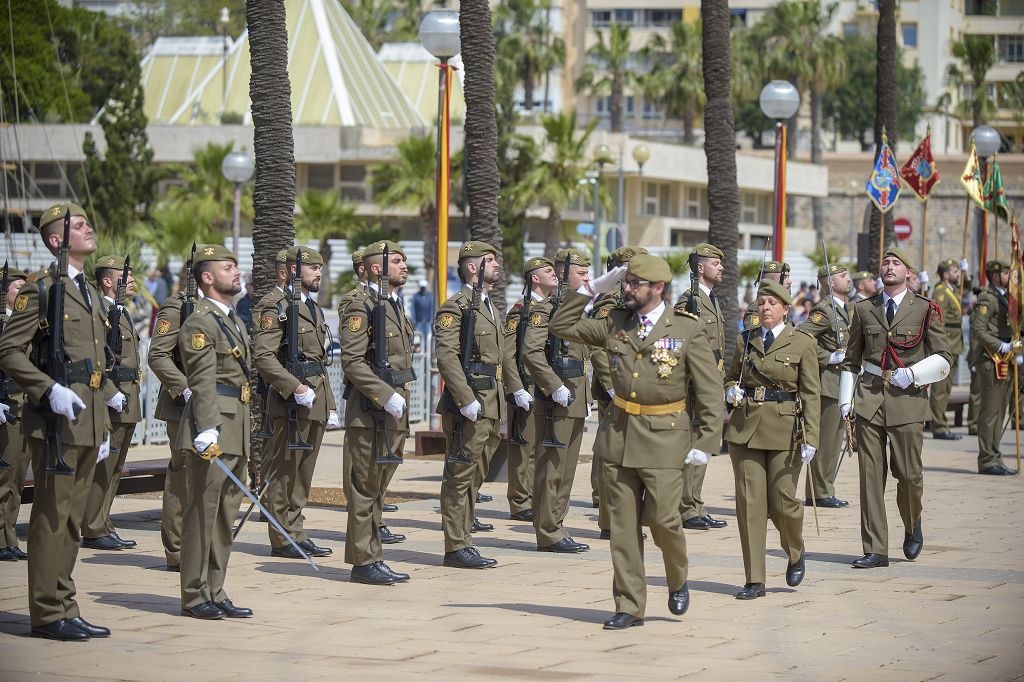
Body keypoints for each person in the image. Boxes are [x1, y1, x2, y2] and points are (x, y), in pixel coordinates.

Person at [550, 254, 723, 629]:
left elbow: (710, 391)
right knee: (623, 528)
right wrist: (591, 289)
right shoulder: (613, 323)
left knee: (664, 522)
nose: (627, 289)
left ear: (657, 288)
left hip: (665, 438)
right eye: (626, 283)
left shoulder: (687, 329)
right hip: (618, 435)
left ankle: (677, 577)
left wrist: (707, 440)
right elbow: (561, 325)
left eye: (634, 284)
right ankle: (629, 605)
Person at [0, 203, 119, 640]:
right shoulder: (42, 289)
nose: (90, 229)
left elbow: (97, 365)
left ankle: (66, 605)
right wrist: (47, 389)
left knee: (72, 519)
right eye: (80, 225)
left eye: (89, 222)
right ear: (56, 240)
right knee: (52, 517)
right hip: (55, 422)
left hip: (87, 420)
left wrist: (103, 420)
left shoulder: (87, 291)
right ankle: (47, 613)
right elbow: (9, 351)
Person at [840, 247, 951, 569]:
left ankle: (913, 523)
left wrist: (915, 374)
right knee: (870, 477)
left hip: (908, 401)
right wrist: (846, 400)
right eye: (886, 262)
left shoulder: (925, 309)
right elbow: (851, 359)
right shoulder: (864, 309)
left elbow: (944, 356)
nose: (889, 267)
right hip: (870, 399)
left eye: (896, 263)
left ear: (909, 273)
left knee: (909, 475)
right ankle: (875, 548)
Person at [726, 279, 820, 599]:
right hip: (746, 427)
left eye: (772, 303)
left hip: (785, 429)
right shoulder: (746, 340)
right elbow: (731, 373)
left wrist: (812, 437)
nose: (765, 308)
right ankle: (755, 578)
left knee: (783, 502)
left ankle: (795, 549)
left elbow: (811, 393)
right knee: (750, 504)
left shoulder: (802, 343)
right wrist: (730, 389)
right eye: (761, 302)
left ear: (785, 309)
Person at [176, 244, 253, 620]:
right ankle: (193, 593)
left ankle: (215, 588)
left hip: (236, 424)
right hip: (214, 426)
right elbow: (203, 380)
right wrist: (206, 427)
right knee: (202, 514)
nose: (236, 272)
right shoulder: (200, 321)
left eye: (236, 266)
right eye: (228, 267)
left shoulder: (234, 320)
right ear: (207, 278)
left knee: (225, 516)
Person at [339, 240, 416, 584]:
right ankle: (363, 560)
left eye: (403, 260)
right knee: (365, 487)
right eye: (396, 261)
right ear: (375, 268)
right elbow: (352, 361)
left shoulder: (394, 304)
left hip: (394, 410)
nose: (404, 265)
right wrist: (384, 395)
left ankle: (373, 555)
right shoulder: (361, 305)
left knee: (379, 488)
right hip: (371, 411)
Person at [253, 247, 336, 559]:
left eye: (319, 268)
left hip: (313, 397)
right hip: (290, 401)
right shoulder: (273, 305)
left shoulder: (311, 307)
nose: (318, 273)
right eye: (312, 268)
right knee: (285, 471)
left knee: (304, 472)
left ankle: (296, 529)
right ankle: (281, 536)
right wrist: (295, 387)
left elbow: (320, 360)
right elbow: (264, 356)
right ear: (286, 272)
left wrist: (327, 402)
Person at [434, 241, 505, 569]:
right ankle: (456, 546)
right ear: (473, 267)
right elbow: (447, 357)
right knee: (459, 475)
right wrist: (465, 399)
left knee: (475, 475)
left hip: (491, 402)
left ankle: (465, 539)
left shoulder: (488, 305)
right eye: (490, 261)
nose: (497, 265)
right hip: (471, 403)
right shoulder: (457, 307)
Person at [524, 248, 592, 553]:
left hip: (575, 395)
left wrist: (586, 394)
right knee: (551, 467)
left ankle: (557, 525)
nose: (587, 277)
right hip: (557, 398)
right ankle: (548, 531)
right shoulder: (546, 310)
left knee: (566, 469)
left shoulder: (576, 308)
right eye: (581, 272)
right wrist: (552, 387)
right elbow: (531, 352)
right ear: (564, 274)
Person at [81, 256, 143, 551]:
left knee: (115, 468)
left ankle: (102, 523)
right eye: (125, 275)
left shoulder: (120, 310)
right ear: (107, 281)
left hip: (126, 399)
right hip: (113, 400)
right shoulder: (100, 311)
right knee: (104, 467)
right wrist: (109, 394)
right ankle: (93, 528)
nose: (131, 279)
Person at [149, 251, 202, 572]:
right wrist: (183, 388)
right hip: (181, 406)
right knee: (182, 476)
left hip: (212, 405)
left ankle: (196, 543)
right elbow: (158, 355)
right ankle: (177, 549)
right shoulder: (176, 306)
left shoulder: (212, 310)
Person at [590, 246, 648, 539]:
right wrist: (612, 385)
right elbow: (599, 349)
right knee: (612, 456)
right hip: (614, 390)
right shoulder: (609, 302)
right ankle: (611, 522)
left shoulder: (638, 302)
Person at [675, 243, 728, 531]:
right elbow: (683, 344)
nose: (721, 268)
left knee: (704, 442)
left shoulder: (712, 300)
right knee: (694, 441)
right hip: (696, 385)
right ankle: (686, 506)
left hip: (710, 381)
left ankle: (695, 503)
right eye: (715, 263)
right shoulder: (689, 301)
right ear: (700, 268)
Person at [501, 256, 556, 522]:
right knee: (524, 448)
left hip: (546, 387)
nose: (554, 274)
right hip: (527, 385)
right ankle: (520, 502)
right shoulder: (520, 310)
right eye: (548, 271)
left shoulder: (551, 307)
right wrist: (516, 388)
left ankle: (534, 498)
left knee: (541, 447)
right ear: (535, 278)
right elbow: (508, 354)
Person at [797, 263, 853, 508]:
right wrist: (827, 357)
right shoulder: (825, 310)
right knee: (827, 441)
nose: (848, 279)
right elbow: (802, 337)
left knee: (835, 440)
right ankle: (819, 492)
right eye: (843, 276)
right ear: (830, 282)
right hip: (828, 383)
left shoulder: (844, 309)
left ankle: (825, 488)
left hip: (842, 383)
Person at [970, 260, 1019, 476]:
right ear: (995, 275)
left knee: (1000, 411)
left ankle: (995, 455)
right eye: (1007, 273)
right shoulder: (987, 298)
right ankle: (987, 459)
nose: (1011, 276)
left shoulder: (1007, 297)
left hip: (1006, 358)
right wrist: (1002, 345)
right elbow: (978, 330)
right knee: (990, 411)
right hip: (991, 359)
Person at [0, 266, 29, 562]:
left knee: (17, 479)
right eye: (17, 286)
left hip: (25, 409)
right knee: (3, 477)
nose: (22, 292)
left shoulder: (24, 324)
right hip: (6, 408)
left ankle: (9, 536)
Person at [929, 259, 965, 441]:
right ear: (945, 274)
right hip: (946, 345)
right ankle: (939, 426)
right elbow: (938, 321)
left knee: (947, 387)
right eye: (955, 271)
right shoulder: (941, 292)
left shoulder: (952, 290)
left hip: (955, 345)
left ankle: (941, 422)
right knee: (941, 389)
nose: (958, 274)